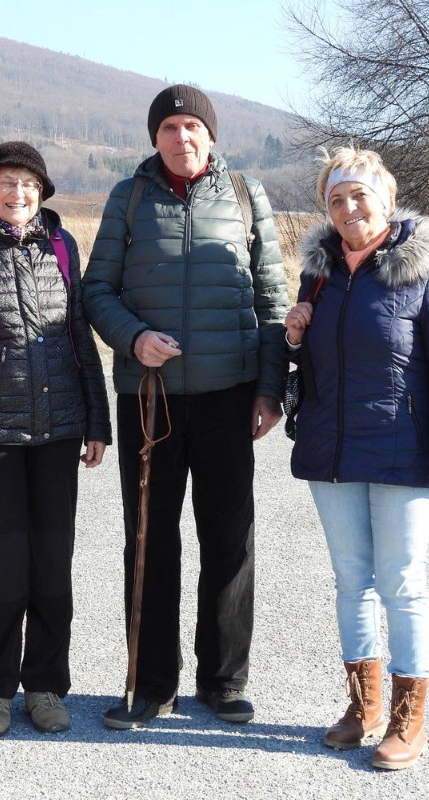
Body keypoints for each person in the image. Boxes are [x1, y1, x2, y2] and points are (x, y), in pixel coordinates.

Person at [82, 84, 289, 729]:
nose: (181, 137)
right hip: (150, 400)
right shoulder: (129, 197)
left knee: (229, 538)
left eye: (191, 126)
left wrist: (269, 388)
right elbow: (97, 290)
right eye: (169, 127)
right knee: (150, 540)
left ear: (211, 135)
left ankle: (223, 681)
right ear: (154, 138)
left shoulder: (246, 195)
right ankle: (151, 685)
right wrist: (134, 338)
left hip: (230, 396)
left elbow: (272, 299)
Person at [284, 145, 429, 770]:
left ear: (387, 199)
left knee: (401, 581)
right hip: (333, 450)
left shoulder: (424, 269)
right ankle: (362, 706)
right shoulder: (318, 275)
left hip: (404, 450)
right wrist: (294, 335)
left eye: (359, 196)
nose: (348, 209)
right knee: (351, 580)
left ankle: (408, 717)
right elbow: (312, 365)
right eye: (335, 200)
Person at [0, 141, 112, 738]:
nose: (17, 193)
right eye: (6, 181)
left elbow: (79, 335)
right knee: (1, 570)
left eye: (29, 184)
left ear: (42, 192)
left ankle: (46, 686)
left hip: (59, 432)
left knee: (53, 571)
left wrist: (97, 421)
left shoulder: (62, 246)